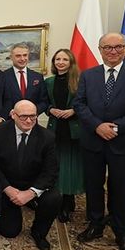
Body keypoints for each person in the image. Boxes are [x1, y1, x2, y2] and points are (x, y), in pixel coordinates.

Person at [74, 32, 125, 250]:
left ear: (124, 49)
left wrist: (115, 127)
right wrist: (97, 126)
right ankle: (95, 224)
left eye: (117, 47)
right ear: (100, 49)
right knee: (94, 186)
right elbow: (79, 104)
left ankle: (121, 231)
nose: (112, 51)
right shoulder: (88, 75)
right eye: (107, 47)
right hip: (93, 141)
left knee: (122, 189)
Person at [0, 100, 61, 250]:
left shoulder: (47, 137)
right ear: (13, 115)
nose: (29, 121)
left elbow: (51, 171)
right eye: (23, 117)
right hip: (8, 185)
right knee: (10, 232)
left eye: (33, 116)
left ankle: (39, 232)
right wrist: (7, 188)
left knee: (54, 198)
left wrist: (31, 193)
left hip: (33, 184)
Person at [45, 49, 84, 223]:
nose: (60, 62)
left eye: (64, 59)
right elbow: (44, 103)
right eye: (57, 59)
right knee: (56, 166)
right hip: (55, 128)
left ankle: (68, 203)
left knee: (71, 168)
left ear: (71, 62)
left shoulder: (79, 80)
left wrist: (73, 111)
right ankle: (57, 202)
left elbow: (88, 102)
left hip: (72, 129)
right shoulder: (49, 81)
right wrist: (50, 109)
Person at [2, 43, 48, 116]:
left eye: (25, 55)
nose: (22, 59)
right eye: (18, 56)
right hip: (10, 121)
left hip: (31, 121)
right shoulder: (3, 77)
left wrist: (32, 112)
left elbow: (44, 101)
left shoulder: (37, 77)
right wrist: (8, 112)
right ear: (11, 57)